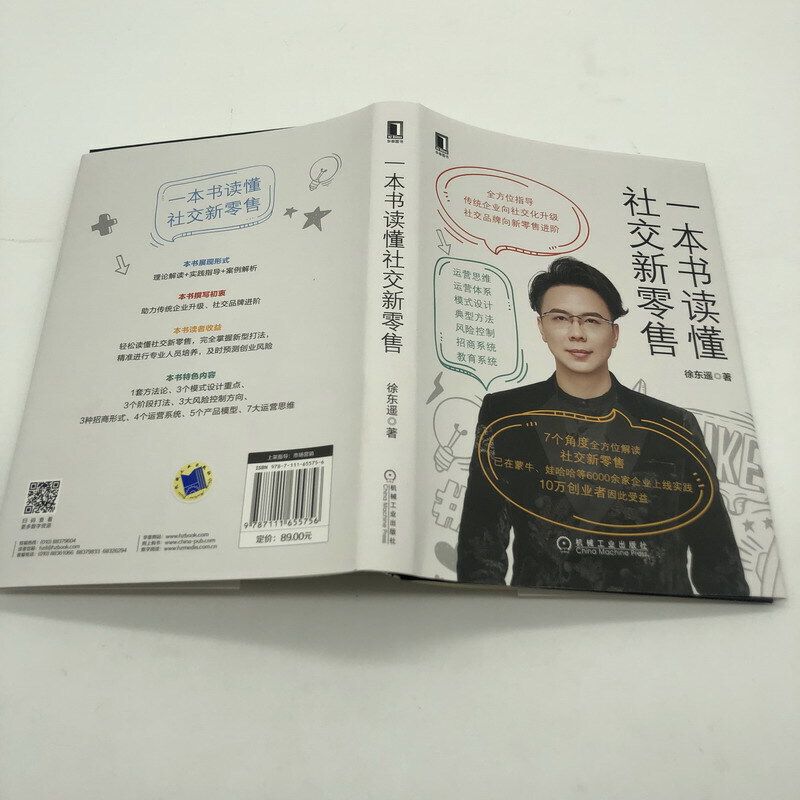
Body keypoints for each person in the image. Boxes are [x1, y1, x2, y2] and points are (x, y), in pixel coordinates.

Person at [456, 256, 750, 598]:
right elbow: (481, 545)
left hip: (660, 614)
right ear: (541, 327)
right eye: (560, 318)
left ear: (614, 334)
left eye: (592, 321)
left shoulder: (673, 423)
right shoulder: (506, 412)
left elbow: (716, 552)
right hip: (543, 612)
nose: (577, 333)